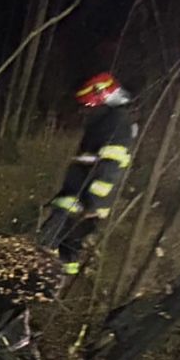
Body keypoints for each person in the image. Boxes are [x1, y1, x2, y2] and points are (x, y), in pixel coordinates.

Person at [40, 72, 136, 275]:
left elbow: (112, 164)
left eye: (90, 105)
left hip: (83, 199)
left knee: (47, 243)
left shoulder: (117, 122)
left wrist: (94, 202)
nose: (87, 110)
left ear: (102, 96)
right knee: (70, 245)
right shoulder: (110, 120)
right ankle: (57, 288)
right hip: (80, 195)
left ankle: (35, 283)